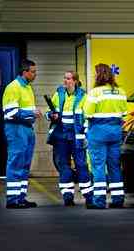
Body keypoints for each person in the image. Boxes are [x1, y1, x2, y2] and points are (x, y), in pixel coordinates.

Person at [46, 71, 93, 207]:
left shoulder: (83, 96)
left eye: (68, 79)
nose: (65, 81)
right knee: (63, 166)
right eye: (64, 78)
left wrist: (86, 136)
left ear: (75, 81)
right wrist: (51, 115)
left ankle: (88, 197)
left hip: (76, 138)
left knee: (81, 165)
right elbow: (49, 113)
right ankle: (67, 197)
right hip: (61, 136)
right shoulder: (59, 94)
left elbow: (87, 118)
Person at [84, 63, 127, 209]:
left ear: (99, 75)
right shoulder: (121, 92)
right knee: (114, 166)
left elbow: (88, 114)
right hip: (115, 132)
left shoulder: (95, 93)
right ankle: (118, 199)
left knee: (98, 166)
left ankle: (99, 201)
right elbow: (124, 114)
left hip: (98, 132)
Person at [2, 59, 43, 209]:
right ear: (24, 72)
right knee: (16, 163)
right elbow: (10, 112)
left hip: (26, 129)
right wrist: (31, 112)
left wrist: (31, 115)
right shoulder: (13, 87)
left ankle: (21, 197)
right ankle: (12, 200)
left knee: (25, 165)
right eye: (33, 71)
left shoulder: (27, 88)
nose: (35, 74)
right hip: (16, 129)